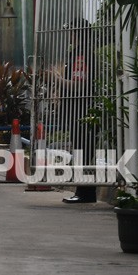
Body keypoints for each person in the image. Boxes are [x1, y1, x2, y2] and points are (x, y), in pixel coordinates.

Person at [49, 19, 98, 204]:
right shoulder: (78, 53)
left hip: (81, 110)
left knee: (83, 150)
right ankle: (84, 191)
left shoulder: (81, 55)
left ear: (77, 33)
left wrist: (57, 79)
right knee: (82, 149)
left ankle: (85, 192)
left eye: (71, 32)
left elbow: (79, 86)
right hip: (79, 109)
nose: (69, 36)